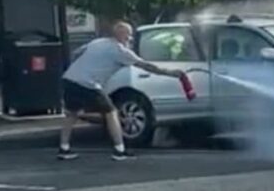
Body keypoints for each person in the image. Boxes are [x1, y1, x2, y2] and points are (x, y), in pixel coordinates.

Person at [58, 20, 185, 161]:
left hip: (69, 79)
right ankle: (119, 151)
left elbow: (77, 53)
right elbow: (147, 66)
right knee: (111, 112)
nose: (130, 39)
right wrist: (171, 73)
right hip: (88, 84)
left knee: (71, 114)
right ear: (121, 35)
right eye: (128, 35)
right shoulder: (120, 51)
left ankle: (64, 149)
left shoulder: (98, 42)